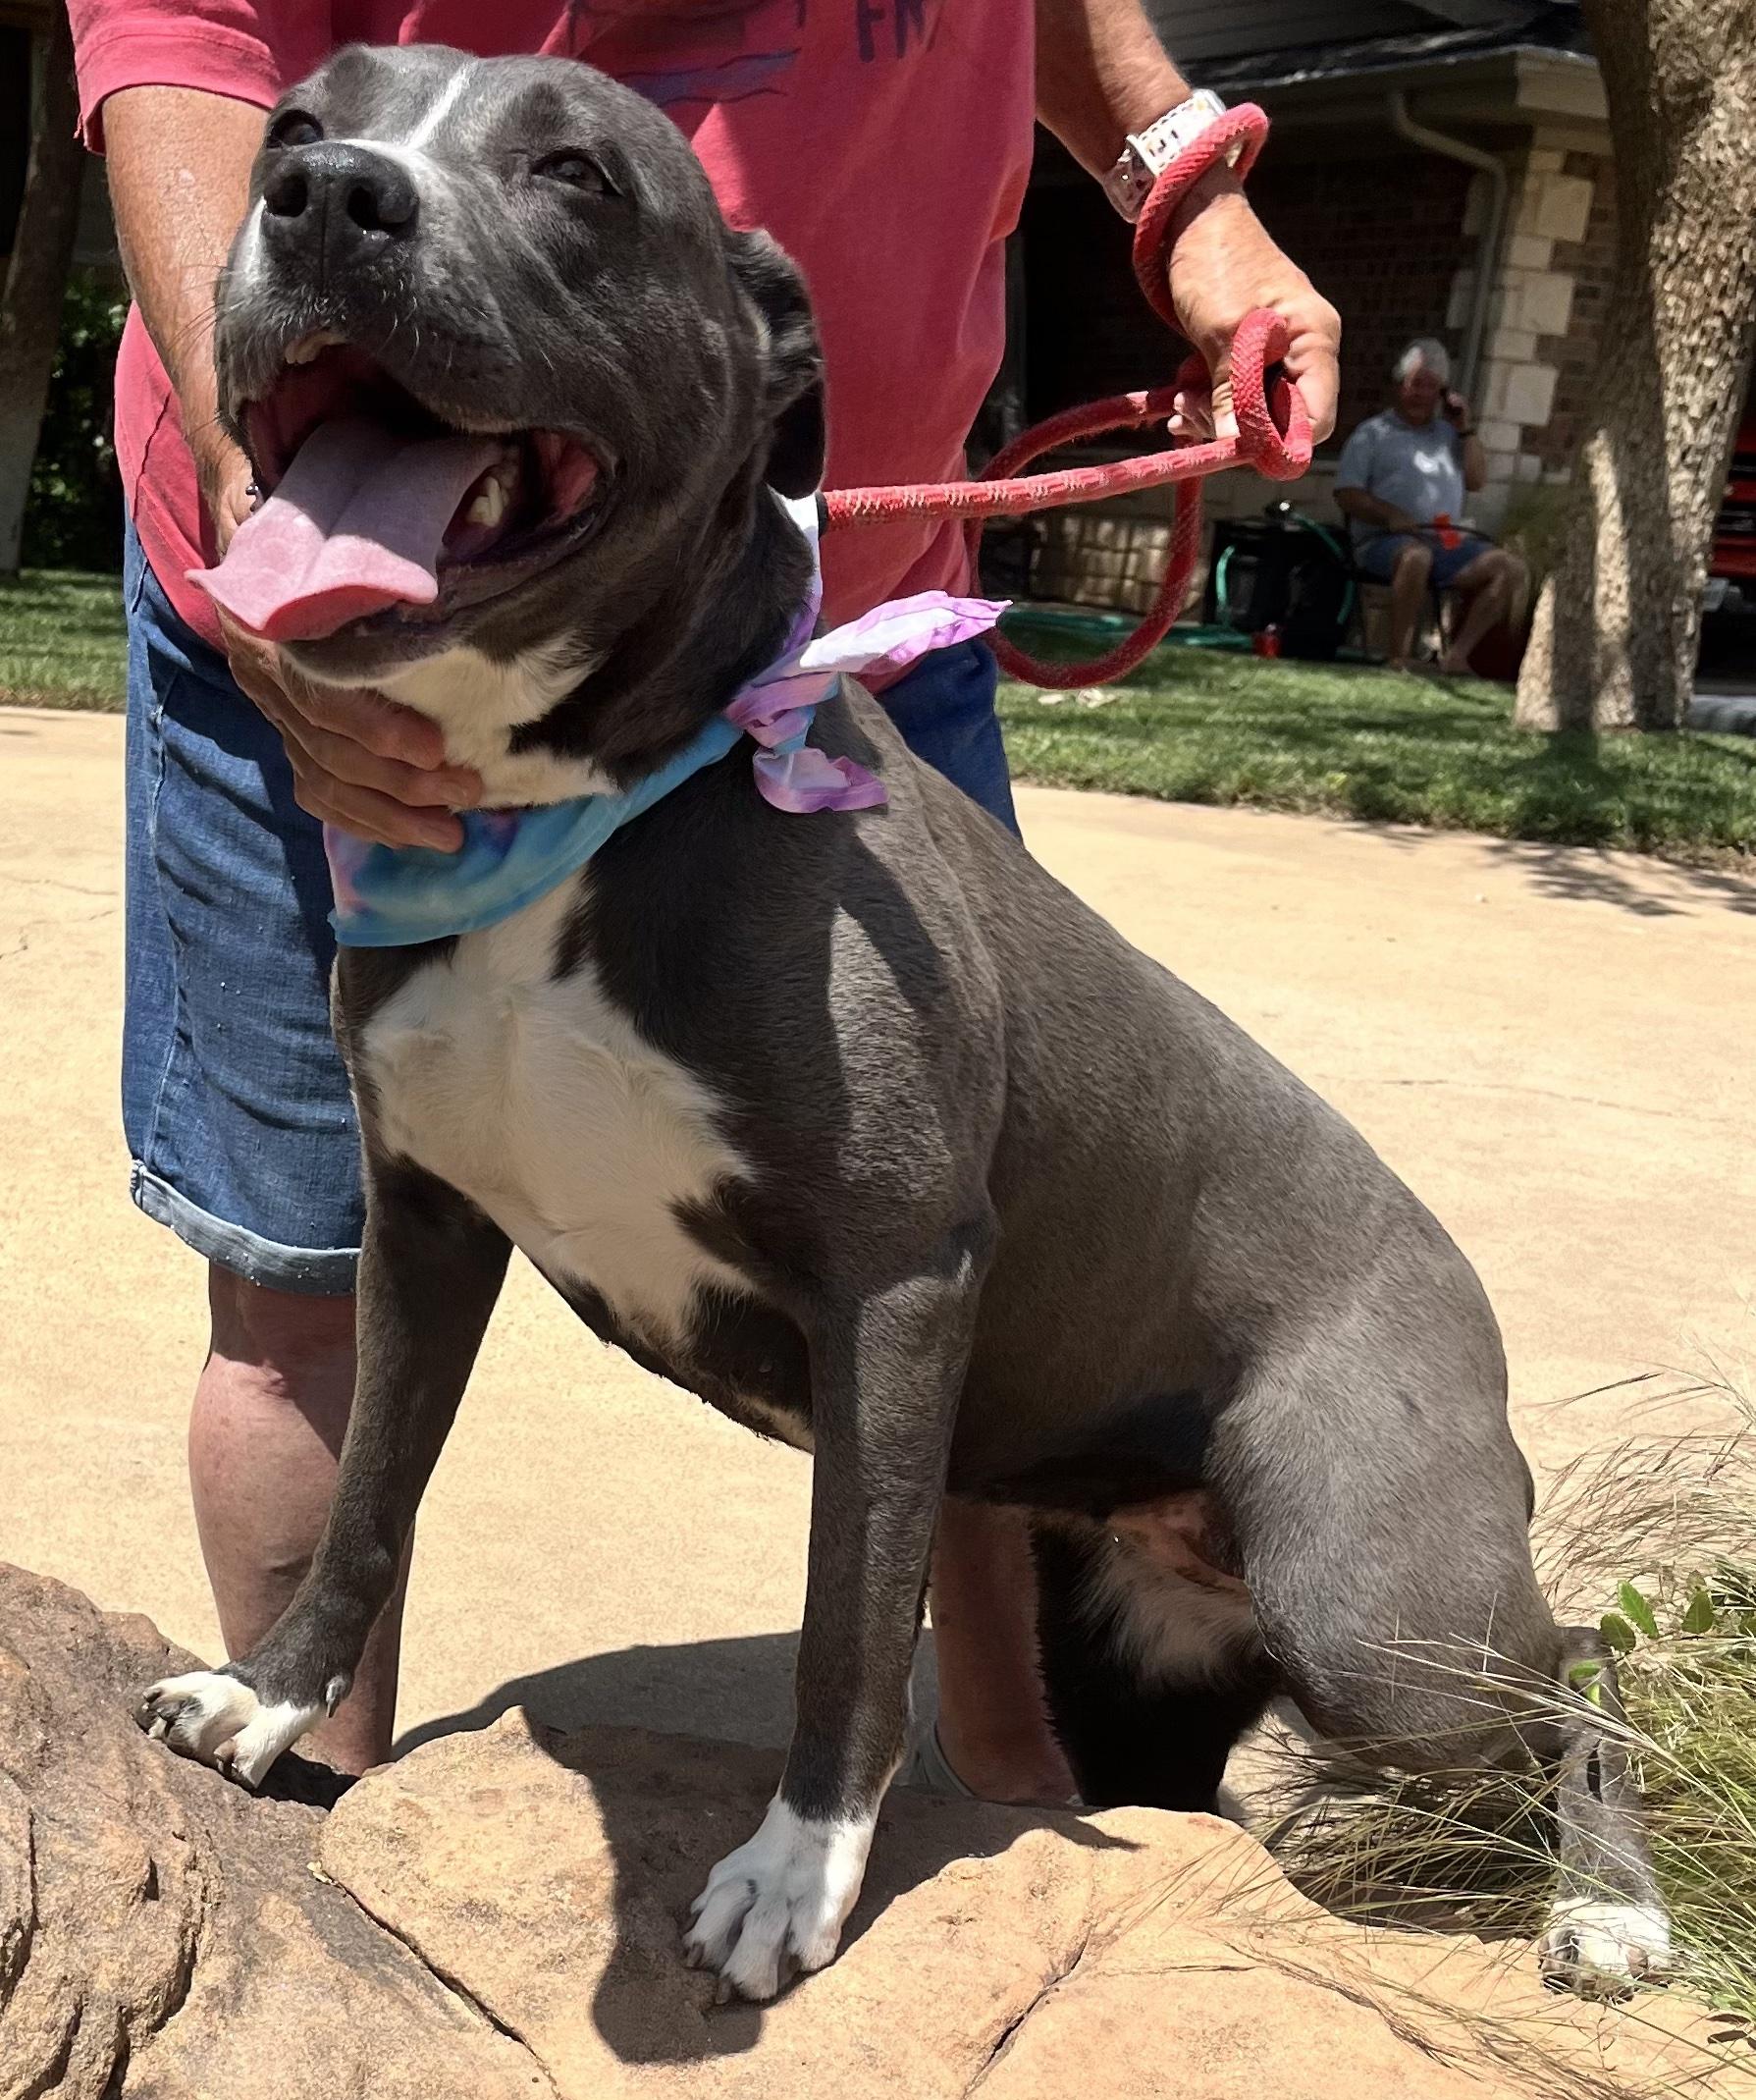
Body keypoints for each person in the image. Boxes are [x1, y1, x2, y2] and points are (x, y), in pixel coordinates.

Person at [68, 0, 1341, 1796]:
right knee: (307, 1277)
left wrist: (1179, 188)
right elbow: (182, 32)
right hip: (312, 589)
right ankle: (312, 1820)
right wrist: (242, 480)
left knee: (940, 1241)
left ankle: (1004, 1818)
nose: (339, 176)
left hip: (830, 620)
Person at [1334, 337, 1527, 673]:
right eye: (1415, 384)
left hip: (1445, 542)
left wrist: (1465, 429)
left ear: (1442, 394)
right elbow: (1346, 493)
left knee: (1509, 568)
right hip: (1383, 542)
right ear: (1400, 385)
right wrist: (1390, 514)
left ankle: (1457, 656)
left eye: (1431, 387)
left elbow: (1477, 481)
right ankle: (1399, 656)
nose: (1421, 394)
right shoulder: (1372, 434)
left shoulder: (1450, 436)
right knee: (1416, 557)